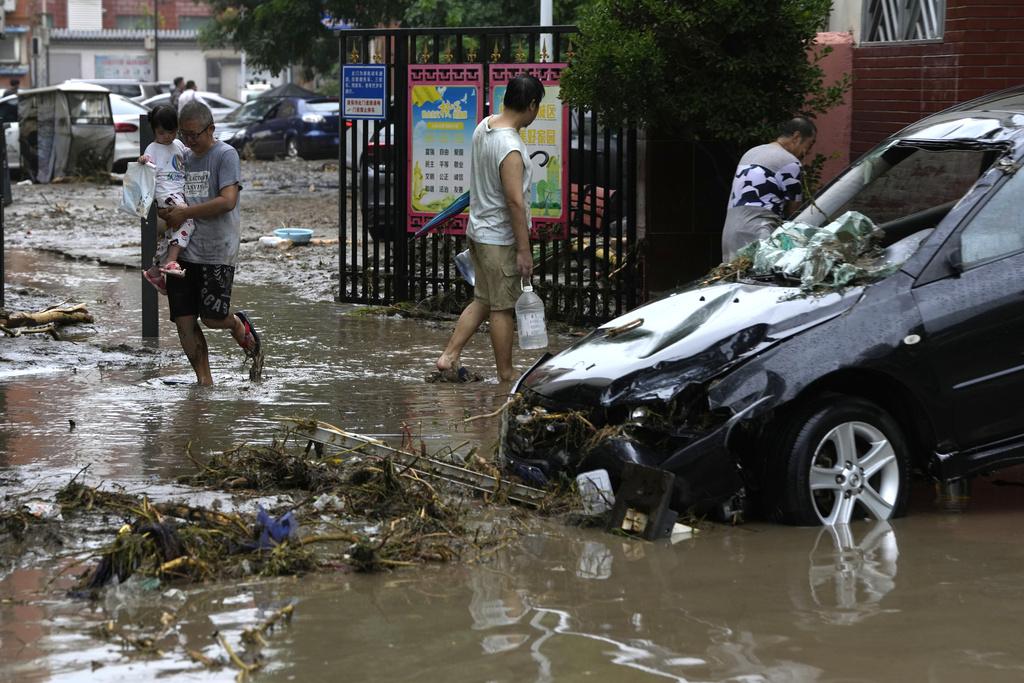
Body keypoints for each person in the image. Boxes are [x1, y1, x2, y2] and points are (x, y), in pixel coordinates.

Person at [435, 73, 545, 382]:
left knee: (483, 300)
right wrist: (524, 250)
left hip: (479, 231)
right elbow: (514, 202)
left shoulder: (485, 126)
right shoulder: (509, 146)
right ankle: (507, 374)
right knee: (503, 308)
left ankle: (449, 356)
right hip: (498, 238)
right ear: (532, 105)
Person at [160, 101, 262, 385]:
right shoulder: (182, 156)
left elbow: (228, 201)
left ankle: (237, 323)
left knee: (212, 318)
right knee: (184, 322)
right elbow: (167, 189)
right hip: (181, 252)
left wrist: (186, 213)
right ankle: (204, 383)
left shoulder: (225, 154)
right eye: (185, 135)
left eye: (195, 134)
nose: (190, 141)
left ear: (211, 129)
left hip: (217, 250)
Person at [721, 116, 817, 261]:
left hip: (730, 233)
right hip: (758, 233)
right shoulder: (790, 162)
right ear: (796, 137)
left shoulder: (751, 152)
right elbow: (794, 212)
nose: (807, 152)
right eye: (809, 145)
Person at [138, 105, 194, 294]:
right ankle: (171, 261)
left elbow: (190, 155)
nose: (167, 137)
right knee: (189, 219)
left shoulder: (177, 144)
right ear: (154, 130)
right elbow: (145, 164)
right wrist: (143, 160)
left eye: (171, 132)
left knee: (172, 232)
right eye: (161, 133)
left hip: (180, 192)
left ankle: (154, 271)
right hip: (166, 194)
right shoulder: (152, 148)